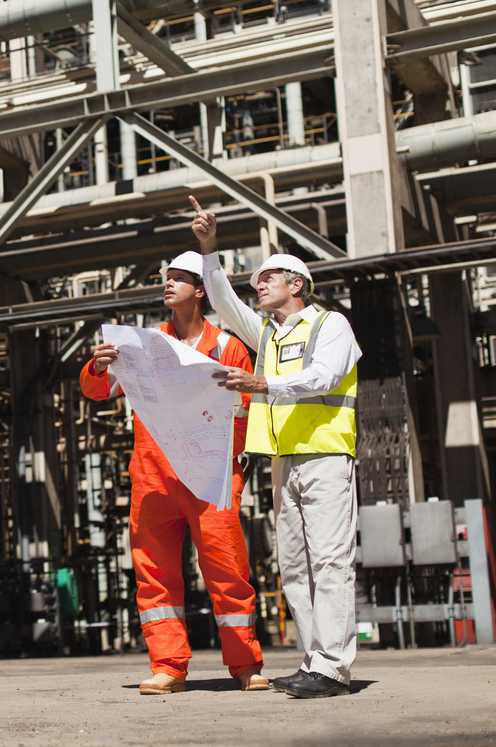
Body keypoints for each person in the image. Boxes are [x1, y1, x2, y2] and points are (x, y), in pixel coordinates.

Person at [190, 194, 361, 699]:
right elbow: (222, 300)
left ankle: (334, 667)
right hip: (284, 463)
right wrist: (209, 248)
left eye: (268, 278)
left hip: (327, 455)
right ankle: (315, 660)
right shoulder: (266, 333)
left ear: (297, 284)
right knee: (294, 564)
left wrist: (265, 386)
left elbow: (325, 376)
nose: (258, 284)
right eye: (257, 280)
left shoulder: (331, 325)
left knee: (330, 560)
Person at [80, 250, 267, 695]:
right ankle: (168, 667)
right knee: (155, 574)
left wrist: (233, 463)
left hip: (209, 474)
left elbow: (246, 409)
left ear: (201, 291)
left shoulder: (227, 347)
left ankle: (245, 665)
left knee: (227, 571)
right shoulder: (142, 345)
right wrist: (99, 364)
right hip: (154, 474)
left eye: (179, 278)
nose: (168, 284)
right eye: (166, 277)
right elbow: (99, 390)